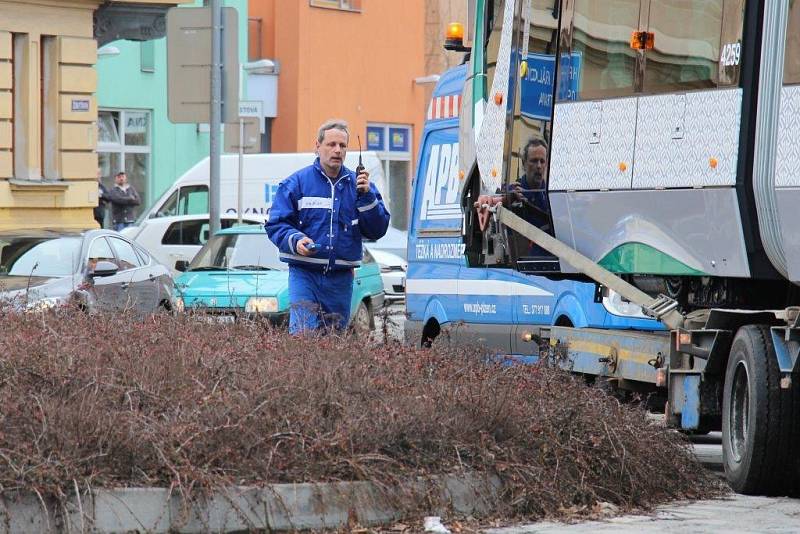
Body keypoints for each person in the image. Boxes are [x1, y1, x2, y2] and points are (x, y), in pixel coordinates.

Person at [266, 119, 390, 334]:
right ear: (317, 146)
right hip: (304, 274)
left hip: (341, 279)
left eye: (342, 146)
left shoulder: (361, 186)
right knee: (304, 335)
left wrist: (367, 197)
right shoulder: (296, 184)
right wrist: (296, 241)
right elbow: (276, 224)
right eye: (331, 144)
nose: (337, 150)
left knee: (333, 341)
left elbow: (377, 230)